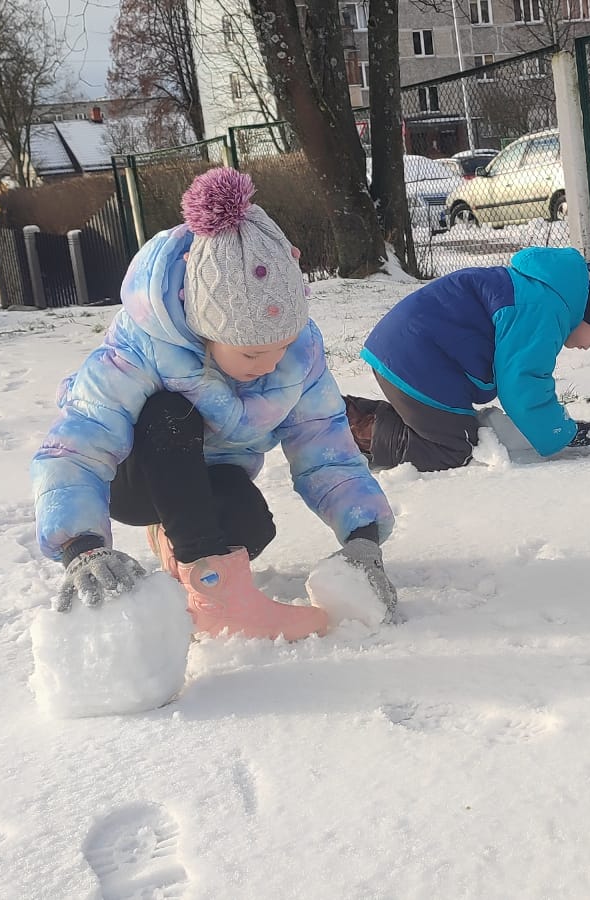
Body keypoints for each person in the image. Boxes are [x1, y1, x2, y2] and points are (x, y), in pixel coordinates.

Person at [34, 168, 397, 638]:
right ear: (206, 330)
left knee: (252, 529)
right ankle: (215, 592)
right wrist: (82, 546)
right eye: (250, 353)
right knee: (170, 412)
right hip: (135, 478)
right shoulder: (141, 347)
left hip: (206, 479)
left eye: (281, 347)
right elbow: (78, 443)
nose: (269, 364)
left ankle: (180, 544)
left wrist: (362, 537)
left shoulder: (298, 354)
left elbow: (324, 446)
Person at [342, 250, 590, 472]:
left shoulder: (539, 292)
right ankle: (351, 435)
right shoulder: (543, 310)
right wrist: (562, 434)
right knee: (454, 447)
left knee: (447, 425)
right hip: (418, 361)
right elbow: (523, 384)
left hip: (408, 352)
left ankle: (337, 413)